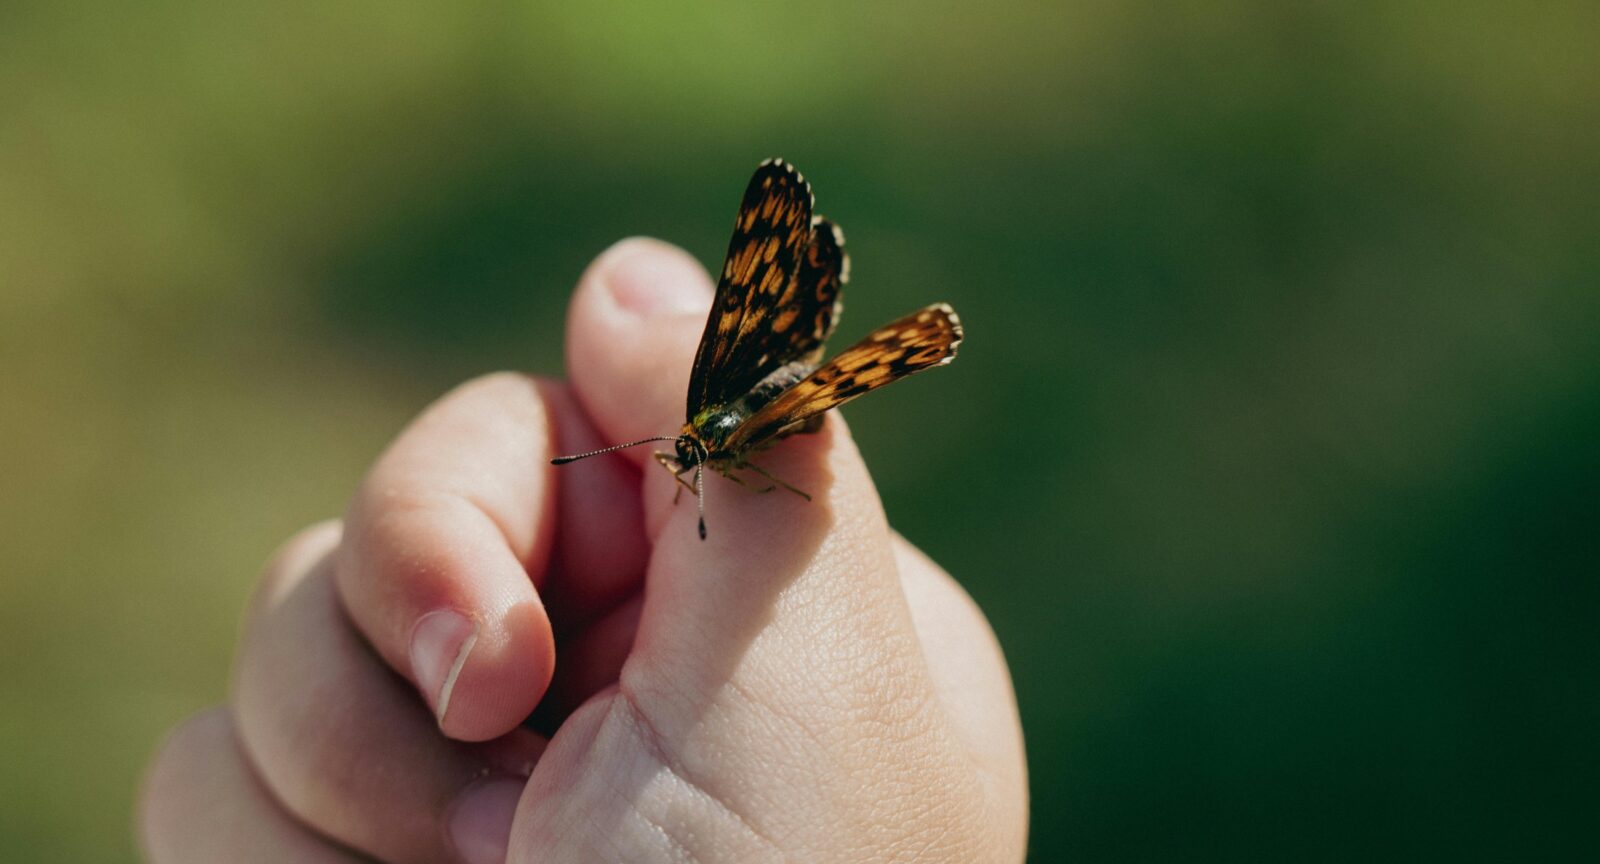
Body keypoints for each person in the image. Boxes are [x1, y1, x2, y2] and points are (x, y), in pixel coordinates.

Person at [138, 238, 1028, 863]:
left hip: (774, 398)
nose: (683, 468)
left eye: (687, 463)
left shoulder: (714, 437)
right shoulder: (694, 442)